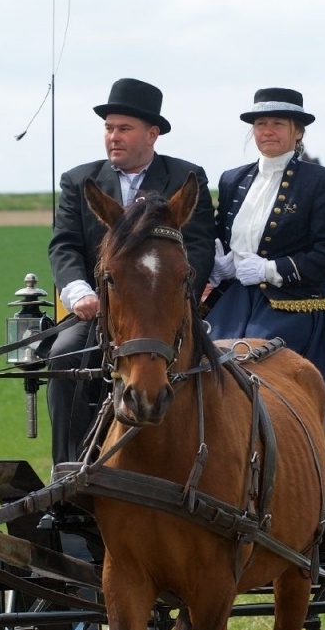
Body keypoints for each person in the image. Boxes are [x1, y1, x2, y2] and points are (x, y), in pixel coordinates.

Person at [205, 88, 325, 495]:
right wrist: (221, 262)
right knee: (197, 354)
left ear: (298, 132)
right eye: (260, 124)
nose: (267, 131)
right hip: (235, 300)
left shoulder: (320, 181)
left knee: (250, 356)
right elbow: (223, 238)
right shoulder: (232, 179)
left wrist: (272, 268)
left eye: (277, 123)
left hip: (292, 305)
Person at [45, 77, 216, 469]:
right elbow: (65, 244)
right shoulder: (78, 181)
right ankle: (68, 471)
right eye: (108, 128)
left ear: (152, 134)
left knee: (213, 365)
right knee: (63, 355)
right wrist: (77, 291)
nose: (113, 137)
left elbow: (201, 243)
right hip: (101, 308)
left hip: (167, 310)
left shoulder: (186, 178)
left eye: (124, 129)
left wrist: (182, 296)